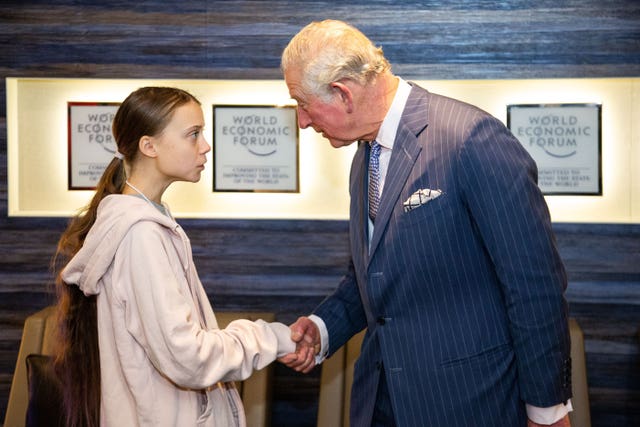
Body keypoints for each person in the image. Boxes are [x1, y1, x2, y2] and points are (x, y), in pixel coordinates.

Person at [281, 20, 573, 427]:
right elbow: (372, 277)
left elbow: (534, 285)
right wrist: (322, 327)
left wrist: (548, 409)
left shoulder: (472, 140)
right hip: (381, 403)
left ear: (343, 92)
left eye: (303, 103)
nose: (303, 121)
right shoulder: (365, 156)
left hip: (469, 404)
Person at [51, 86, 298, 427]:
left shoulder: (146, 223)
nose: (206, 146)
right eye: (193, 134)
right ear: (148, 146)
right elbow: (188, 358)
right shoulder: (140, 234)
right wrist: (270, 337)